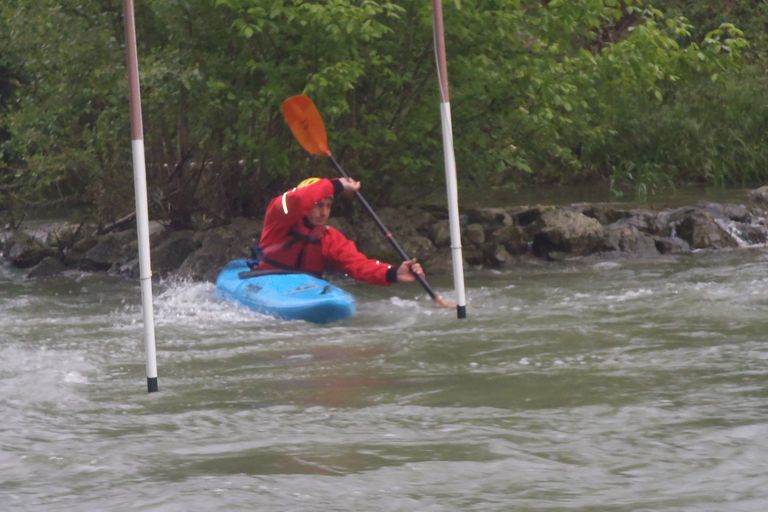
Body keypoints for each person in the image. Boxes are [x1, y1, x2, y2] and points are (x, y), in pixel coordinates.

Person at [250, 176, 425, 286]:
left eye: (328, 206)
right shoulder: (280, 216)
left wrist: (392, 272)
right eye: (318, 205)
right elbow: (297, 199)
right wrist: (336, 185)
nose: (324, 212)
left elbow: (357, 265)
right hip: (266, 280)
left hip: (304, 289)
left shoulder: (328, 238)